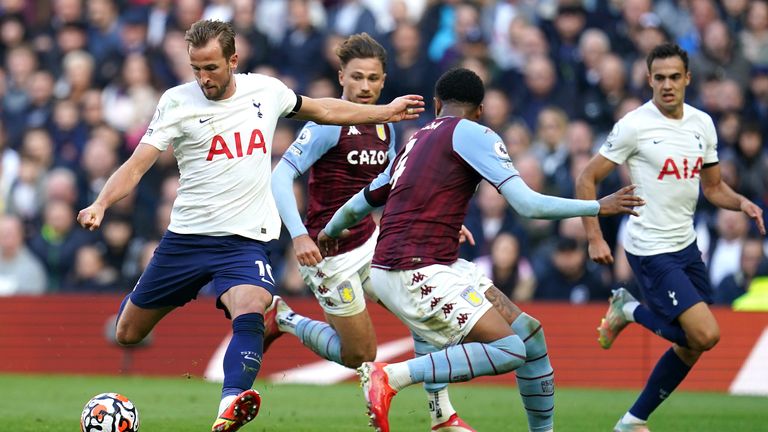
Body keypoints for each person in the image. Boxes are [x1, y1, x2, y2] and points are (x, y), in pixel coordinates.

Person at [75, 19, 423, 432]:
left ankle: (230, 404)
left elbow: (326, 109)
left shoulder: (266, 91)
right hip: (186, 239)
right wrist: (100, 203)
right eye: (196, 69)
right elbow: (136, 165)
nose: (204, 78)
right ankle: (141, 307)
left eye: (212, 68)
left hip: (244, 241)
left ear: (233, 60)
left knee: (252, 305)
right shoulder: (176, 102)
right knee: (127, 333)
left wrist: (385, 112)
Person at [318, 68, 644, 432]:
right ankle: (391, 375)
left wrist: (330, 232)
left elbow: (363, 200)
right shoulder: (476, 134)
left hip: (421, 263)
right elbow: (528, 206)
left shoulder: (416, 140)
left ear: (438, 104)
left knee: (530, 336)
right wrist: (599, 206)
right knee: (510, 350)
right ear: (480, 110)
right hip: (414, 268)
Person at [268, 32, 474, 431]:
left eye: (373, 79)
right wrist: (298, 235)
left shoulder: (386, 125)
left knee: (426, 315)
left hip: (372, 242)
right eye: (357, 77)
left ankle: (441, 415)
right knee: (360, 354)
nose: (365, 87)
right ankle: (285, 319)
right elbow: (280, 176)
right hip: (329, 253)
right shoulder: (327, 123)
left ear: (383, 81)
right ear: (341, 76)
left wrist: (441, 218)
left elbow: (388, 188)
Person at [575, 43, 766, 432]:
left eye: (674, 77)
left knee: (693, 344)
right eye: (659, 77)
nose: (667, 85)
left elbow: (712, 188)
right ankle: (627, 309)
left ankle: (632, 421)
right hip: (650, 247)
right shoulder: (634, 125)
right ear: (648, 80)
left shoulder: (702, 124)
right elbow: (586, 178)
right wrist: (595, 237)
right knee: (706, 333)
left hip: (686, 246)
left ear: (687, 79)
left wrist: (741, 202)